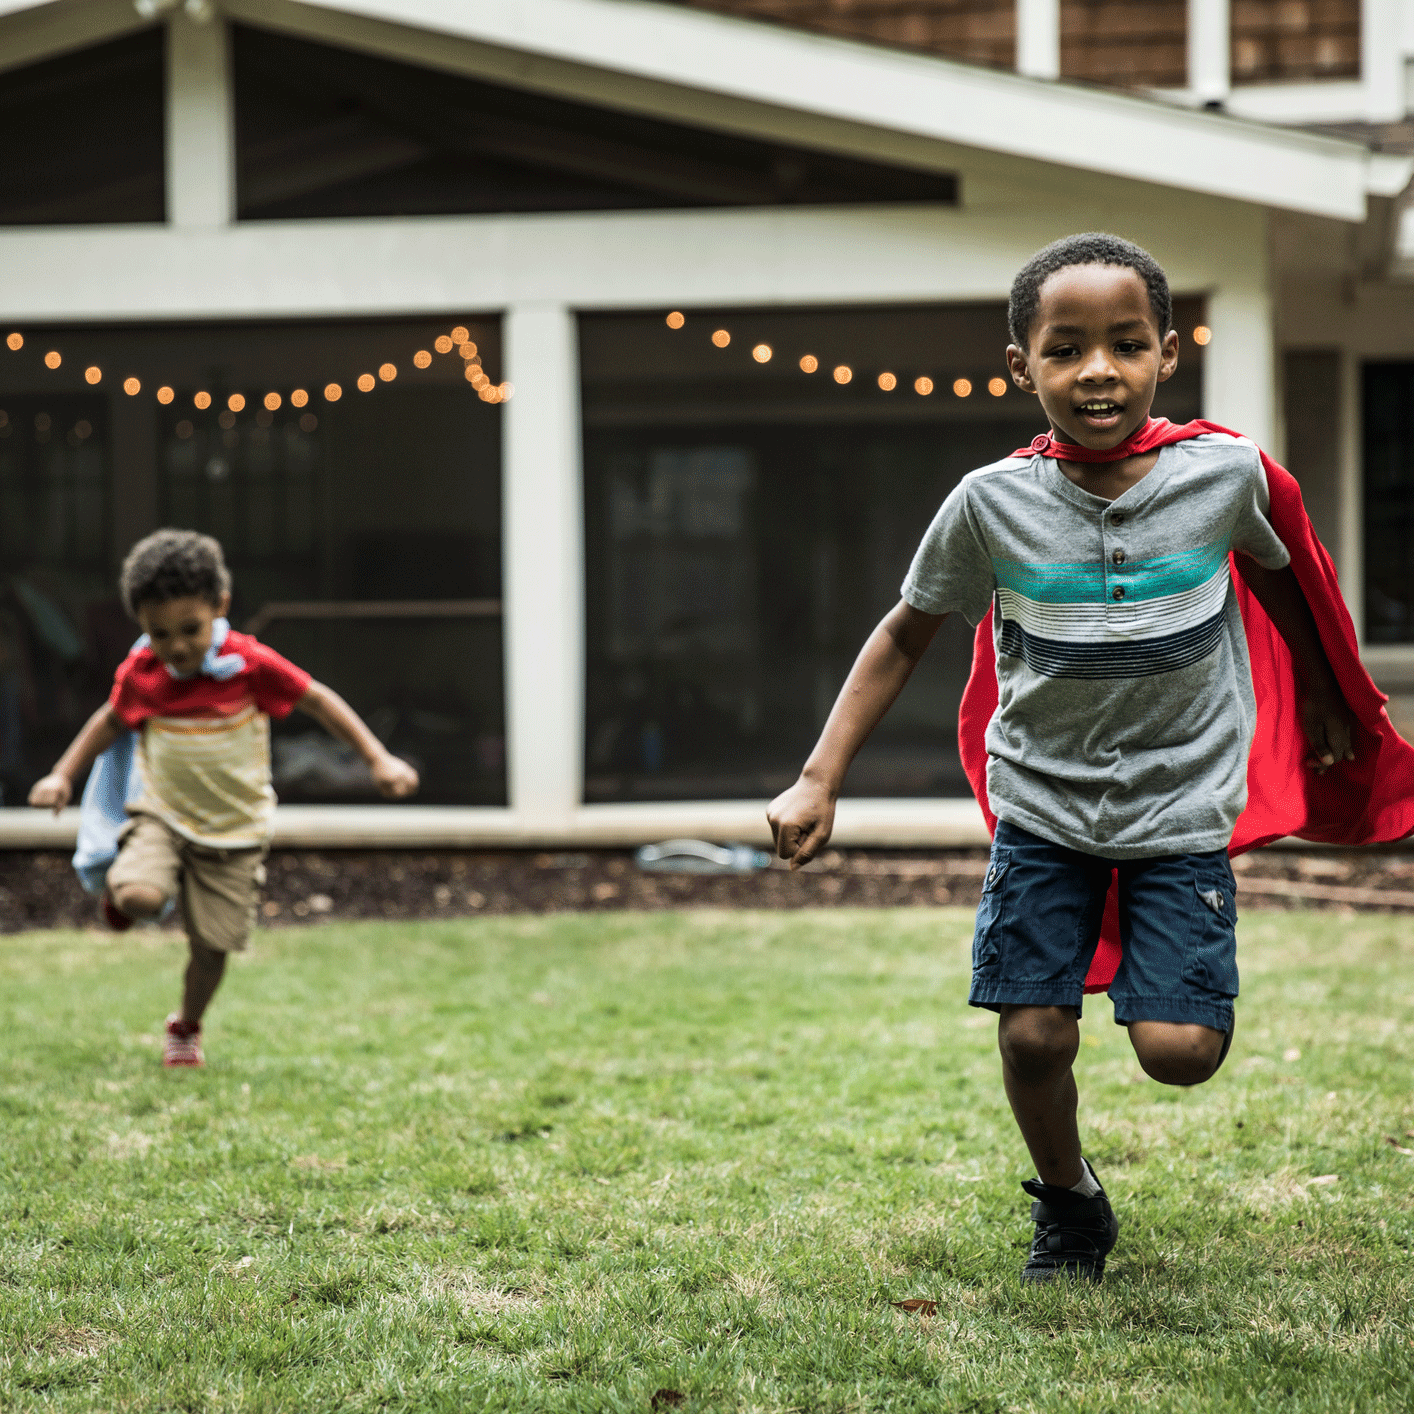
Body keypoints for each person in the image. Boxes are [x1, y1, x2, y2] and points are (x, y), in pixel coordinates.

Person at [767, 232, 1361, 1284]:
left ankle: (1169, 983)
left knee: (1180, 1054)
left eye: (1126, 345)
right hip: (1043, 808)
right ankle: (1071, 1204)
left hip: (1180, 809)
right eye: (1065, 349)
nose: (1098, 371)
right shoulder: (988, 503)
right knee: (1034, 1035)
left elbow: (1280, 572)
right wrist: (820, 774)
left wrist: (1315, 687)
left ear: (1166, 354)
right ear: (1021, 365)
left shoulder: (1222, 477)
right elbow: (903, 632)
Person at [29, 529, 419, 1067]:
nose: (177, 647)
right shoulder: (144, 672)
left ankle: (186, 1026)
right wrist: (61, 775)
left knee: (211, 949)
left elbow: (318, 701)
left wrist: (378, 759)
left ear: (220, 606)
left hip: (235, 831)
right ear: (141, 624)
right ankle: (126, 894)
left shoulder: (249, 664)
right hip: (163, 816)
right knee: (140, 897)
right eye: (159, 633)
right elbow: (110, 722)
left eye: (190, 629)